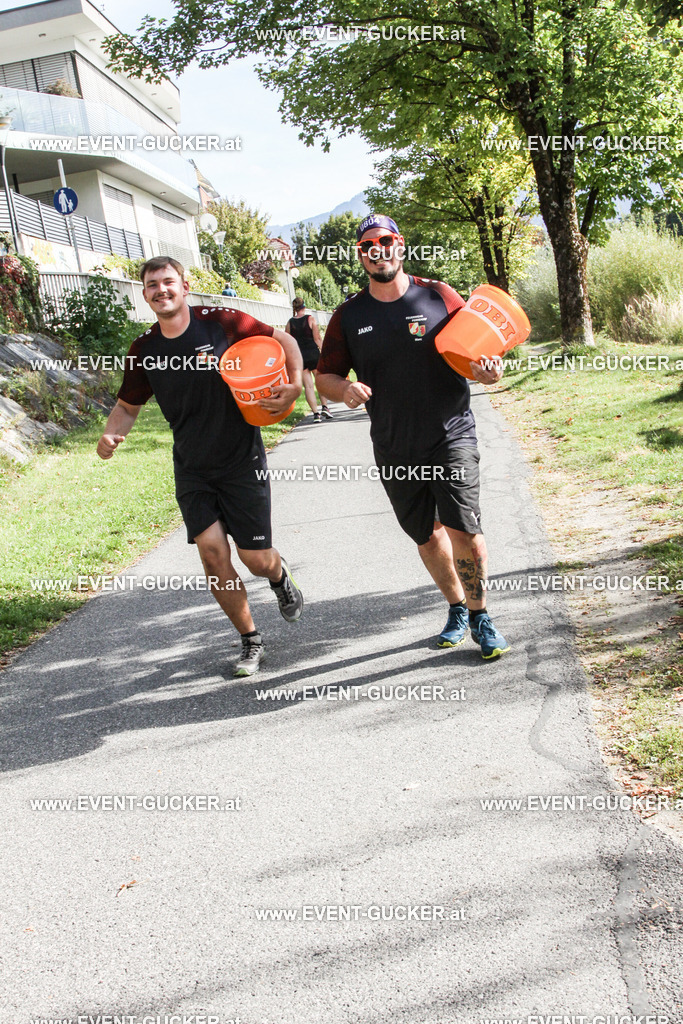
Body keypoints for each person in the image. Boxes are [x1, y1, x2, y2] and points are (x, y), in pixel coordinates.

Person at [96, 256, 304, 677]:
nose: (161, 290)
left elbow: (286, 341)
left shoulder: (223, 322)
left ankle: (280, 577)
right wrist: (111, 433)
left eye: (168, 282)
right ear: (145, 294)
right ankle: (250, 640)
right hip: (192, 467)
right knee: (212, 555)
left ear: (185, 286)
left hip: (241, 460)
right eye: (152, 285)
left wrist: (295, 383)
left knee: (255, 559)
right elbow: (127, 406)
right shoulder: (145, 349)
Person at [316, 214, 510, 660]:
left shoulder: (439, 295)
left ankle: (482, 616)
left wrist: (489, 372)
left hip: (450, 433)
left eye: (386, 241)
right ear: (361, 254)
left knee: (464, 525)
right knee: (426, 535)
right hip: (393, 444)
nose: (378, 250)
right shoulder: (349, 315)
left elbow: (480, 352)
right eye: (368, 245)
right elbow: (324, 375)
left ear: (400, 245)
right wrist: (343, 388)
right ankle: (457, 607)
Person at [286, 297, 332, 423]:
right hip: (313, 354)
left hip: (300, 357)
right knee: (320, 382)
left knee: (309, 387)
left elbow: (288, 342)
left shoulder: (290, 323)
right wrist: (326, 352)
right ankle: (325, 407)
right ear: (304, 306)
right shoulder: (310, 319)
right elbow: (317, 338)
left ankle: (316, 414)